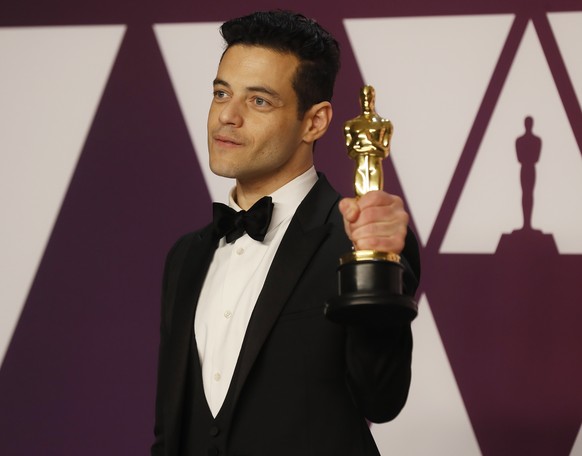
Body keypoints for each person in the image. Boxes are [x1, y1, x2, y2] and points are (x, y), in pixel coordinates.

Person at [152, 10, 420, 456]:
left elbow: (382, 397)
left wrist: (378, 261)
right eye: (222, 93)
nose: (227, 117)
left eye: (259, 101)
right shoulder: (186, 256)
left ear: (314, 122)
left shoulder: (358, 238)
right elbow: (169, 434)